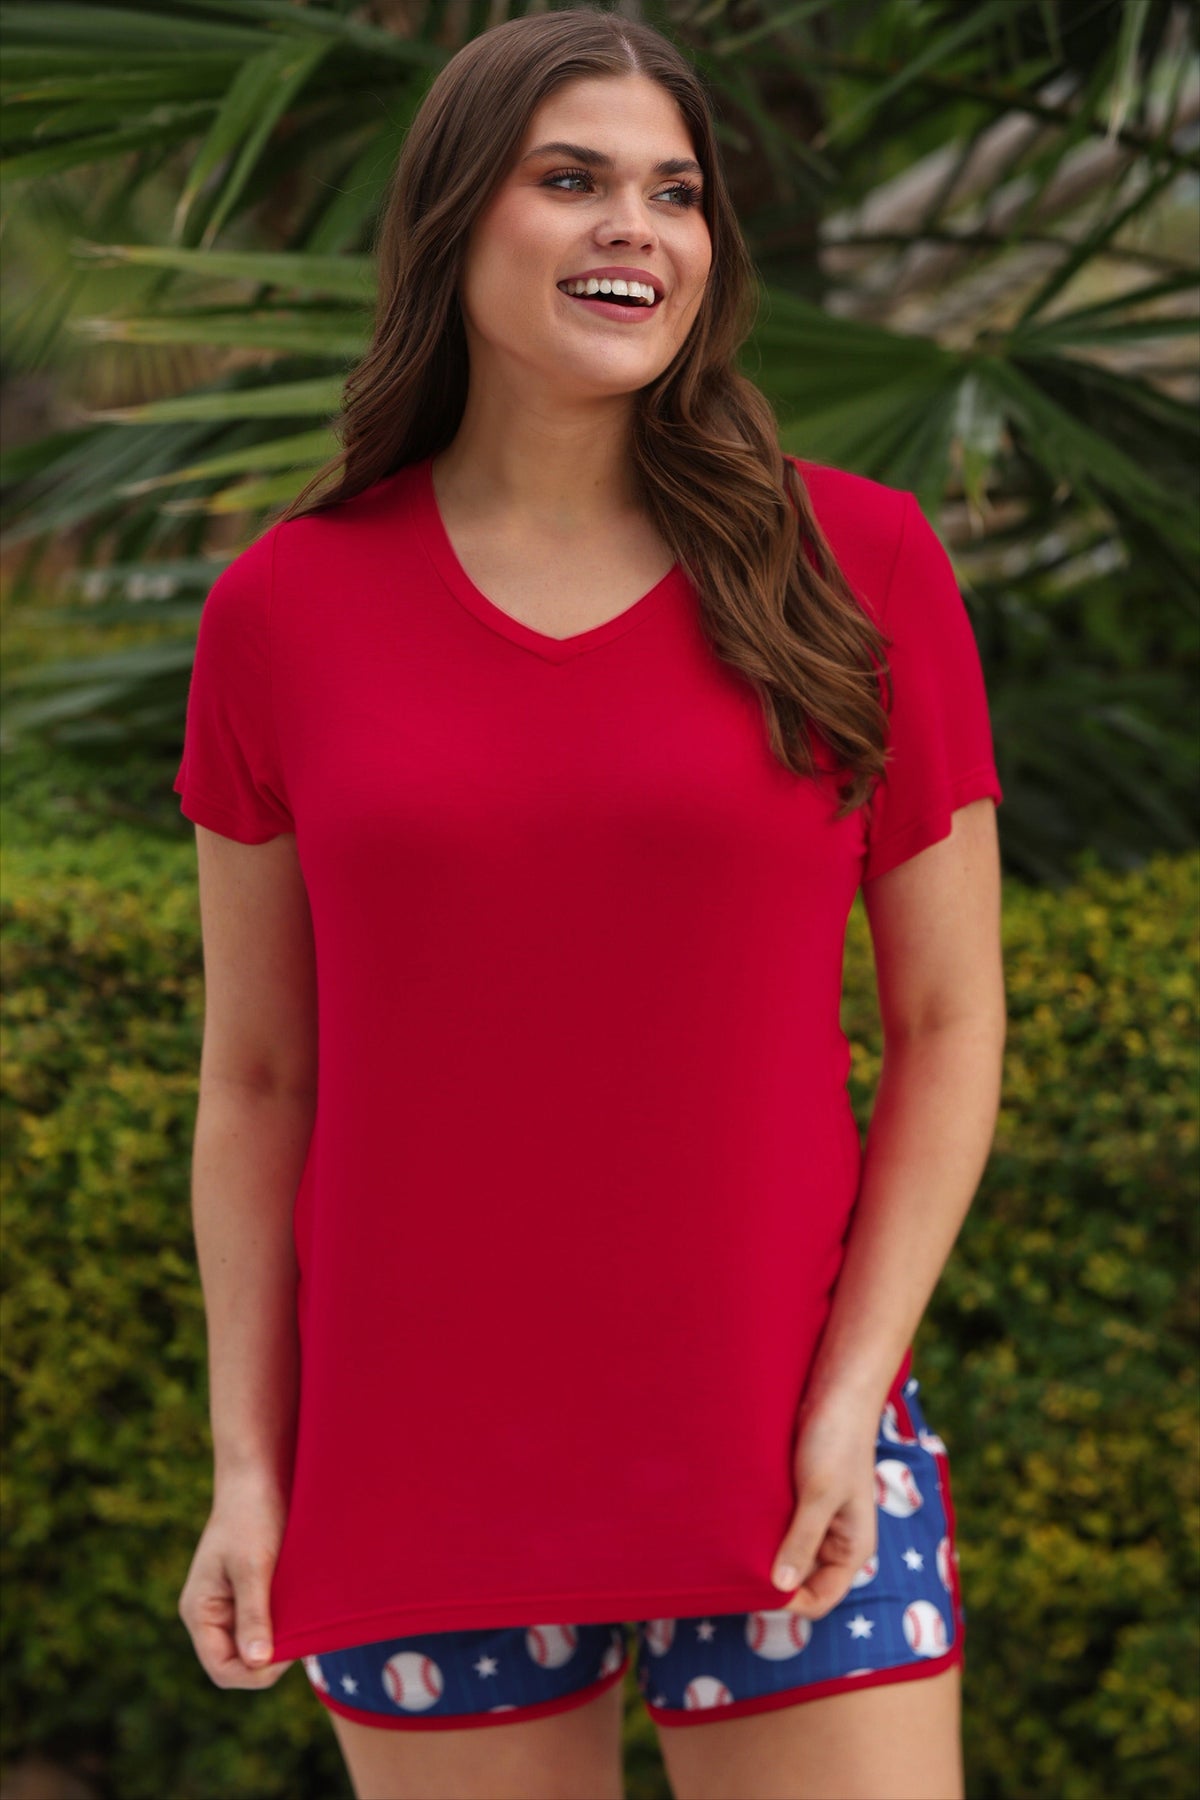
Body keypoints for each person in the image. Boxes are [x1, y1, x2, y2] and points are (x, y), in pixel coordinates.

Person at [172, 7, 1005, 1798]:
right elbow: (257, 1078)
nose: (638, 226)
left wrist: (852, 1401)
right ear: (454, 217)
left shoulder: (859, 562)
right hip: (413, 1458)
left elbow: (951, 1022)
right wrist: (248, 1466)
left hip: (795, 1452)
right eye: (573, 180)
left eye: (676, 192)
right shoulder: (282, 611)